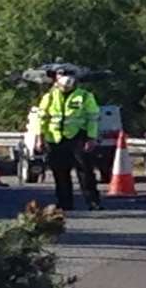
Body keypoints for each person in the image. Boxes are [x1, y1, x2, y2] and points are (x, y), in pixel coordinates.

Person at [34, 64, 102, 212]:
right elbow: (41, 119)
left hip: (78, 137)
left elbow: (92, 118)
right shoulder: (49, 97)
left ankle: (93, 201)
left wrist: (91, 138)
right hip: (55, 139)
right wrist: (39, 138)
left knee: (85, 171)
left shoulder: (85, 97)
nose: (65, 89)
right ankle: (65, 203)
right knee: (60, 173)